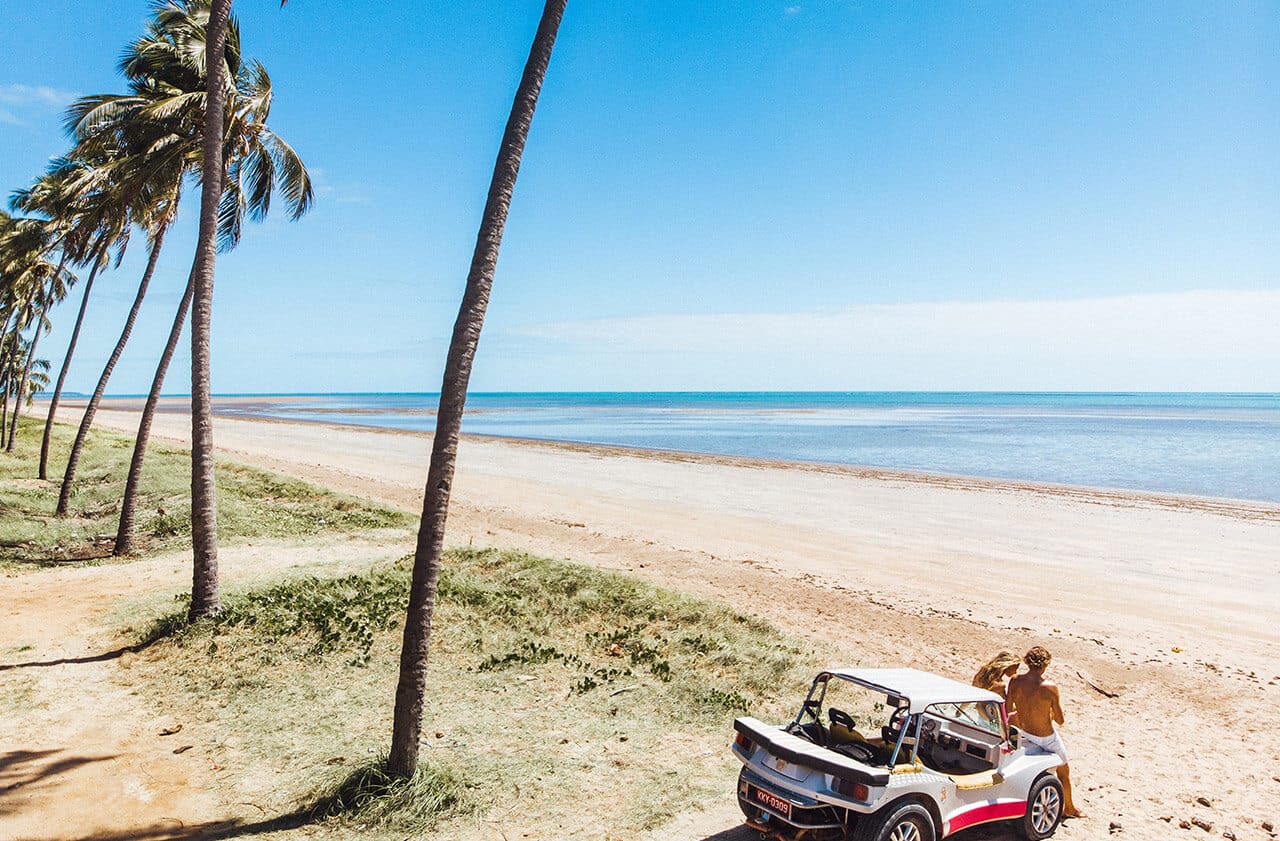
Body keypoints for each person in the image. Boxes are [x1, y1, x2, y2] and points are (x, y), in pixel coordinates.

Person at [1006, 645, 1084, 818]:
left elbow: (1008, 708)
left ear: (1027, 661)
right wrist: (1045, 712)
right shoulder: (1049, 687)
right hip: (1046, 738)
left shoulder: (1015, 680)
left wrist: (1026, 710)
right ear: (1045, 664)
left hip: (1025, 734)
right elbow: (1060, 720)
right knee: (1063, 771)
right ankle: (1069, 807)